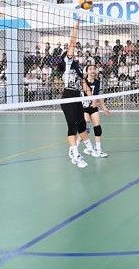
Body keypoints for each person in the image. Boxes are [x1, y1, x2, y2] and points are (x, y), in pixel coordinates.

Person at [57, 18, 95, 169]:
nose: (73, 53)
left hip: (77, 97)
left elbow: (83, 83)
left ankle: (90, 148)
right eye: (70, 53)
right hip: (68, 96)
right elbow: (72, 42)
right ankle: (75, 154)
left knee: (82, 126)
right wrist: (76, 26)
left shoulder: (77, 68)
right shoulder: (67, 63)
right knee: (72, 127)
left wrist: (91, 97)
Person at [81, 64, 110, 158]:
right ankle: (75, 148)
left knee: (98, 128)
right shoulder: (83, 82)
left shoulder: (98, 82)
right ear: (87, 72)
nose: (93, 70)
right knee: (86, 129)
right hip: (84, 108)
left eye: (94, 69)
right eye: (90, 69)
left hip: (93, 108)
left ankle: (98, 150)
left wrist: (104, 107)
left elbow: (100, 96)